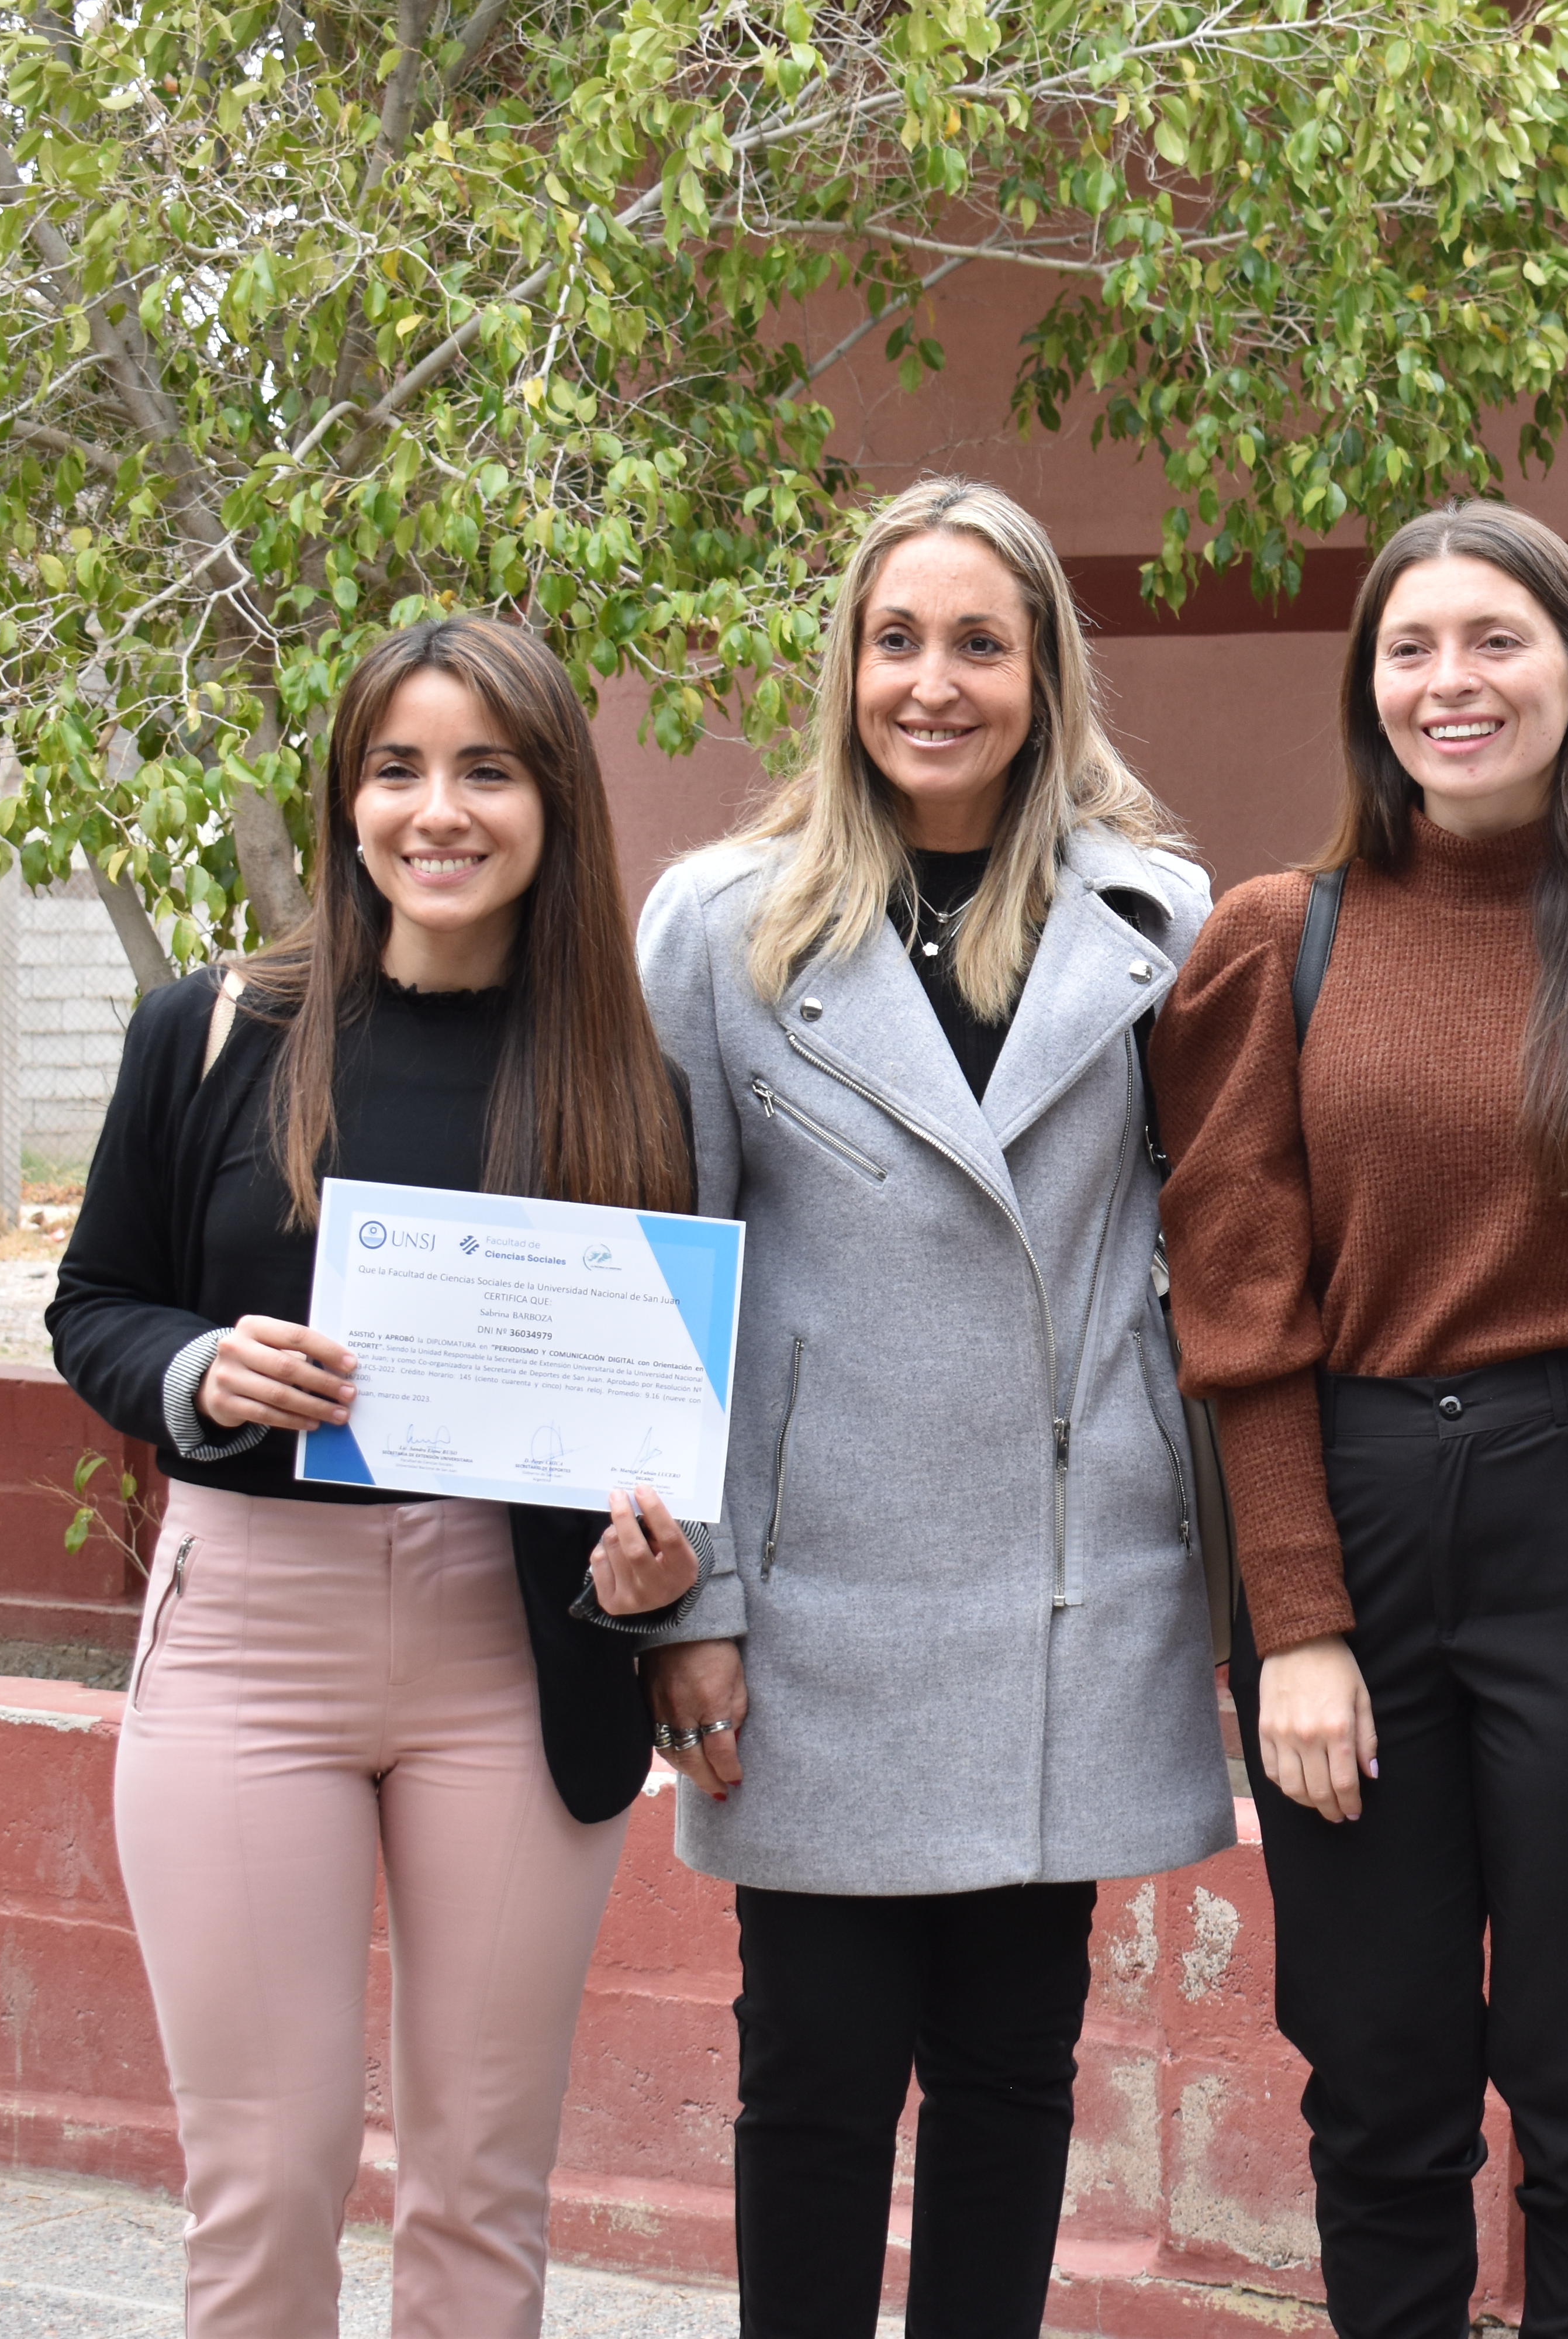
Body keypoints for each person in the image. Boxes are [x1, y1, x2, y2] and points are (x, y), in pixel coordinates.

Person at [49, 615, 706, 2334]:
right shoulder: (210, 1032)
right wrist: (200, 1369)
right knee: (264, 2181)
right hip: (253, 1635)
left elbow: (665, 1410)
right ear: (345, 799)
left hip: (515, 1647)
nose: (439, 810)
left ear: (556, 799)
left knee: (480, 2193)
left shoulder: (626, 1069)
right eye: (397, 769)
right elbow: (95, 1306)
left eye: (487, 769)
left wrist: (655, 1567)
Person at [630, 476, 1233, 2338]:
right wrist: (696, 1606)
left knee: (1012, 2076)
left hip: (1066, 1595)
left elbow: (1217, 1260)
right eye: (899, 641)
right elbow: (678, 1276)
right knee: (809, 2085)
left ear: (1048, 675)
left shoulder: (1167, 922)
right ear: (846, 670)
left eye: (982, 643)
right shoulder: (722, 928)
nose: (936, 682)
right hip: (815, 1616)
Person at [1149, 501, 1568, 2339]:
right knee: (1381, 2084)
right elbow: (1240, 1309)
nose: (1448, 682)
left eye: (1494, 641)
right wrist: (1298, 1624)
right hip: (1357, 1504)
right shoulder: (1278, 943)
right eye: (1409, 649)